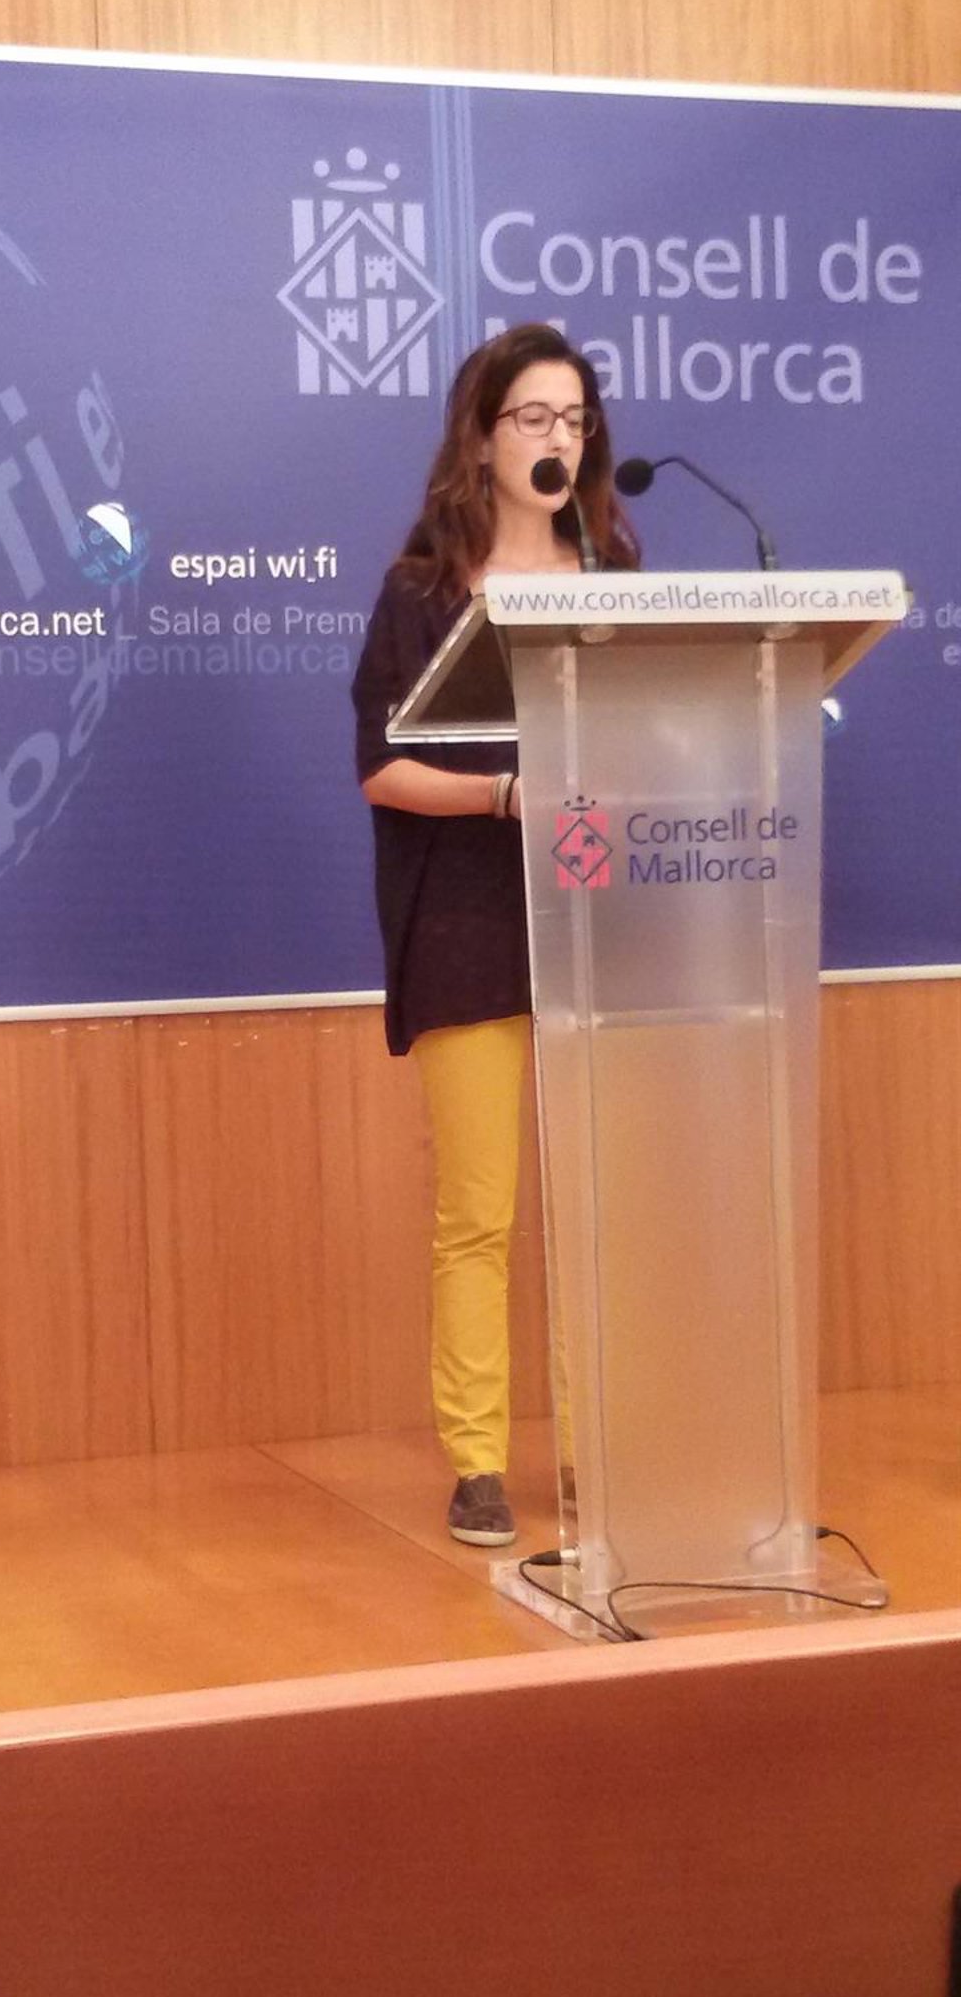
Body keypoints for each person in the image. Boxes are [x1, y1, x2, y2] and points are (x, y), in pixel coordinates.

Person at [350, 323, 640, 1548]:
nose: (556, 438)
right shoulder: (423, 591)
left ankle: (595, 1449)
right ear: (481, 441)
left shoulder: (618, 582)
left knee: (594, 1211)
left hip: (596, 919)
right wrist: (505, 795)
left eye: (573, 419)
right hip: (468, 919)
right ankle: (478, 1460)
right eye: (532, 417)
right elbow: (382, 768)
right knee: (479, 1212)